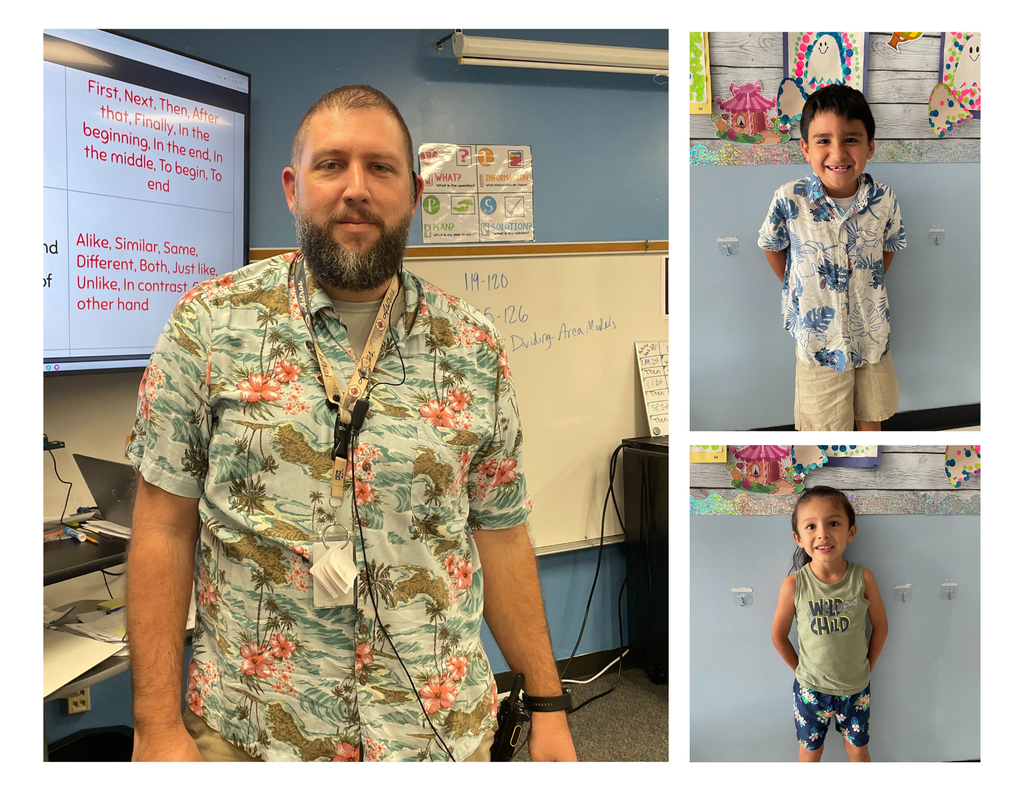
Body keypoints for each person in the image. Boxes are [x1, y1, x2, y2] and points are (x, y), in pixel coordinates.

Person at [125, 84, 577, 762]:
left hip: (436, 735)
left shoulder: (473, 346)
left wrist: (547, 705)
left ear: (415, 193)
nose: (355, 188)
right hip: (255, 735)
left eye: (381, 167)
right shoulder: (207, 326)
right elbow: (162, 528)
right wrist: (156, 728)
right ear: (292, 186)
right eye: (331, 164)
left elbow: (503, 535)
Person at [758, 84, 907, 431]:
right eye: (824, 141)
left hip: (870, 333)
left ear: (869, 146)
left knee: (872, 412)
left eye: (851, 139)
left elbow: (890, 245)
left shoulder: (884, 199)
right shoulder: (789, 199)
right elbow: (771, 244)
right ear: (806, 148)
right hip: (817, 338)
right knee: (825, 426)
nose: (838, 153)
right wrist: (796, 286)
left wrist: (867, 282)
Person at [770, 486, 888, 762]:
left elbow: (881, 626)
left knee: (858, 751)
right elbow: (778, 636)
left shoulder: (864, 578)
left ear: (851, 532)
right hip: (811, 689)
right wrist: (802, 671)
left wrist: (867, 667)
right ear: (798, 538)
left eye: (833, 523)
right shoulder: (794, 585)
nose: (822, 533)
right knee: (810, 753)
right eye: (811, 526)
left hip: (856, 689)